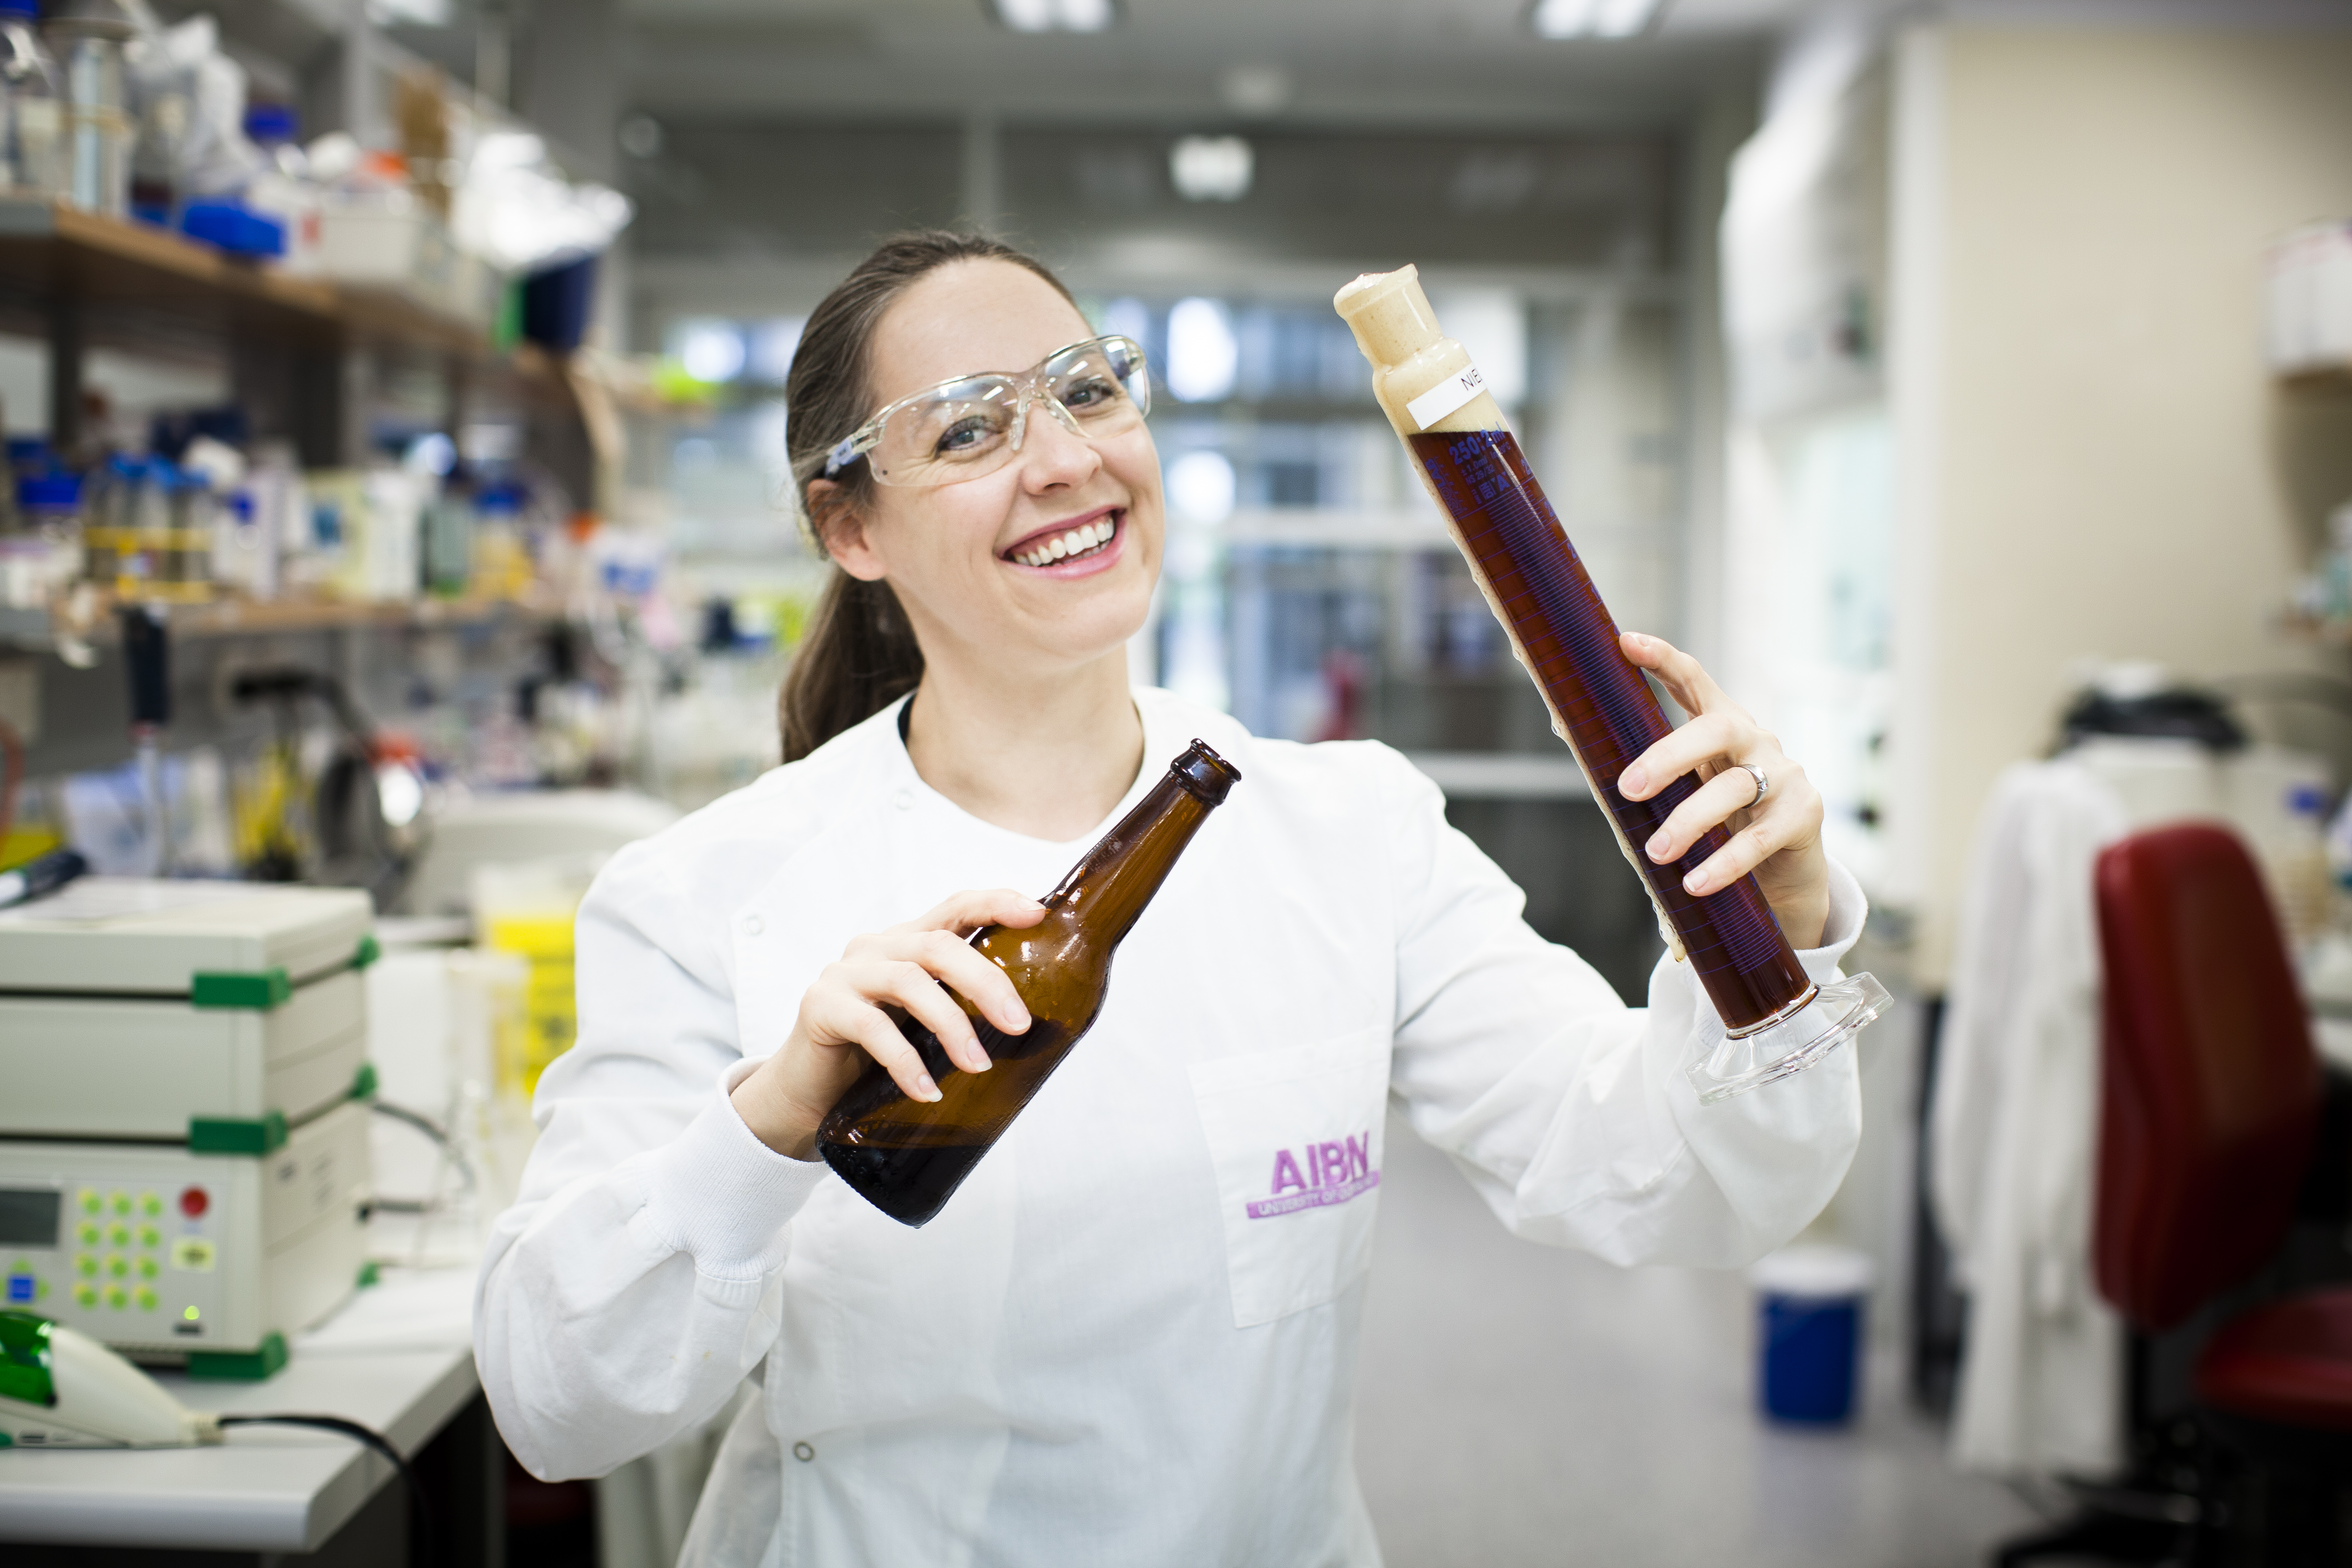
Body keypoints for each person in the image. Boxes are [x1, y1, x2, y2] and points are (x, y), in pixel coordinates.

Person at [475, 230, 1866, 1566]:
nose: (1067, 460)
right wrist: (773, 1117)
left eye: (1088, 389)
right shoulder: (706, 891)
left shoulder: (1347, 830)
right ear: (850, 529)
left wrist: (1767, 933)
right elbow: (558, 1405)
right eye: (969, 428)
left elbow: (1679, 1182)